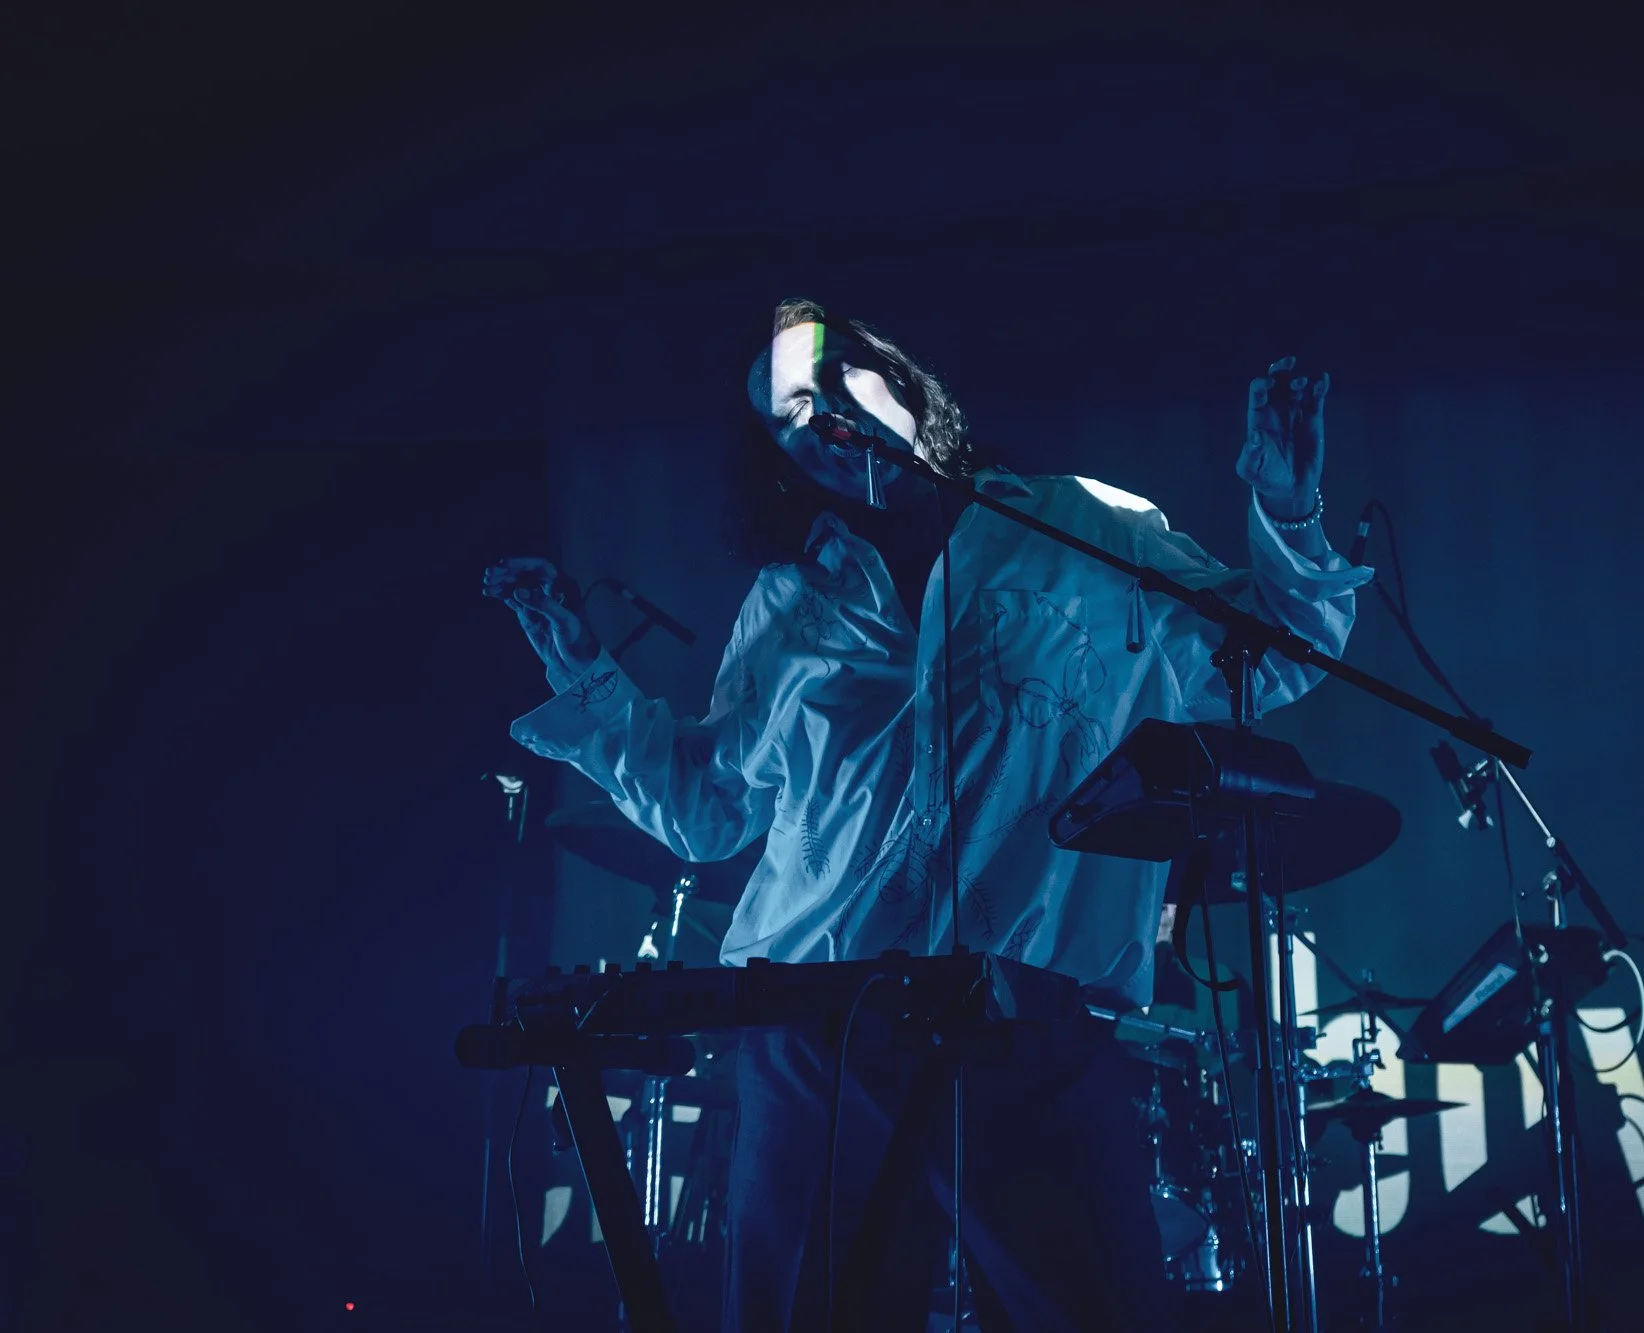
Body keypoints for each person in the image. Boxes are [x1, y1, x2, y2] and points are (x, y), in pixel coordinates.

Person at [485, 298, 1370, 1331]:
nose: (811, 423)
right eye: (782, 419)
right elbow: (706, 809)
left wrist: (1288, 509)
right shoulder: (789, 600)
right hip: (811, 1017)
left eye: (828, 389)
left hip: (1018, 1014)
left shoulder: (1085, 528)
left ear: (900, 386)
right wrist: (582, 670)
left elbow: (1270, 654)